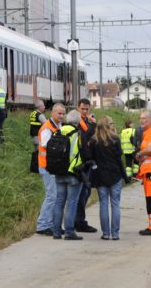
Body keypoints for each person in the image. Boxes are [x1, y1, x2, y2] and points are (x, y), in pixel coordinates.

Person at [91, 116, 130, 240]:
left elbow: (91, 159)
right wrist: (125, 176)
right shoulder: (115, 139)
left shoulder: (94, 140)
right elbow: (119, 160)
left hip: (101, 176)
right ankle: (115, 233)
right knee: (115, 204)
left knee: (103, 203)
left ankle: (106, 233)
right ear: (109, 125)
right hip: (115, 175)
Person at [52, 110, 87, 240]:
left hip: (59, 172)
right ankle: (69, 232)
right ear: (78, 122)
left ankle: (56, 231)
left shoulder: (58, 131)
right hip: (73, 173)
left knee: (59, 202)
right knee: (71, 203)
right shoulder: (78, 134)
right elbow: (84, 153)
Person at [35, 103, 66, 235]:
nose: (61, 116)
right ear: (52, 113)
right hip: (46, 166)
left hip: (53, 166)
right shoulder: (47, 128)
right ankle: (43, 225)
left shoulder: (58, 126)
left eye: (63, 113)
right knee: (51, 196)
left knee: (55, 196)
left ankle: (52, 224)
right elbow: (47, 145)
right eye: (59, 113)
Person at [74, 98, 98, 234]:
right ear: (78, 108)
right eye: (82, 109)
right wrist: (93, 125)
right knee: (82, 193)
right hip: (81, 162)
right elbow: (86, 136)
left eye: (86, 109)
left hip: (88, 160)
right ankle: (79, 222)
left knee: (85, 192)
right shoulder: (77, 121)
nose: (84, 111)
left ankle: (79, 221)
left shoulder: (87, 121)